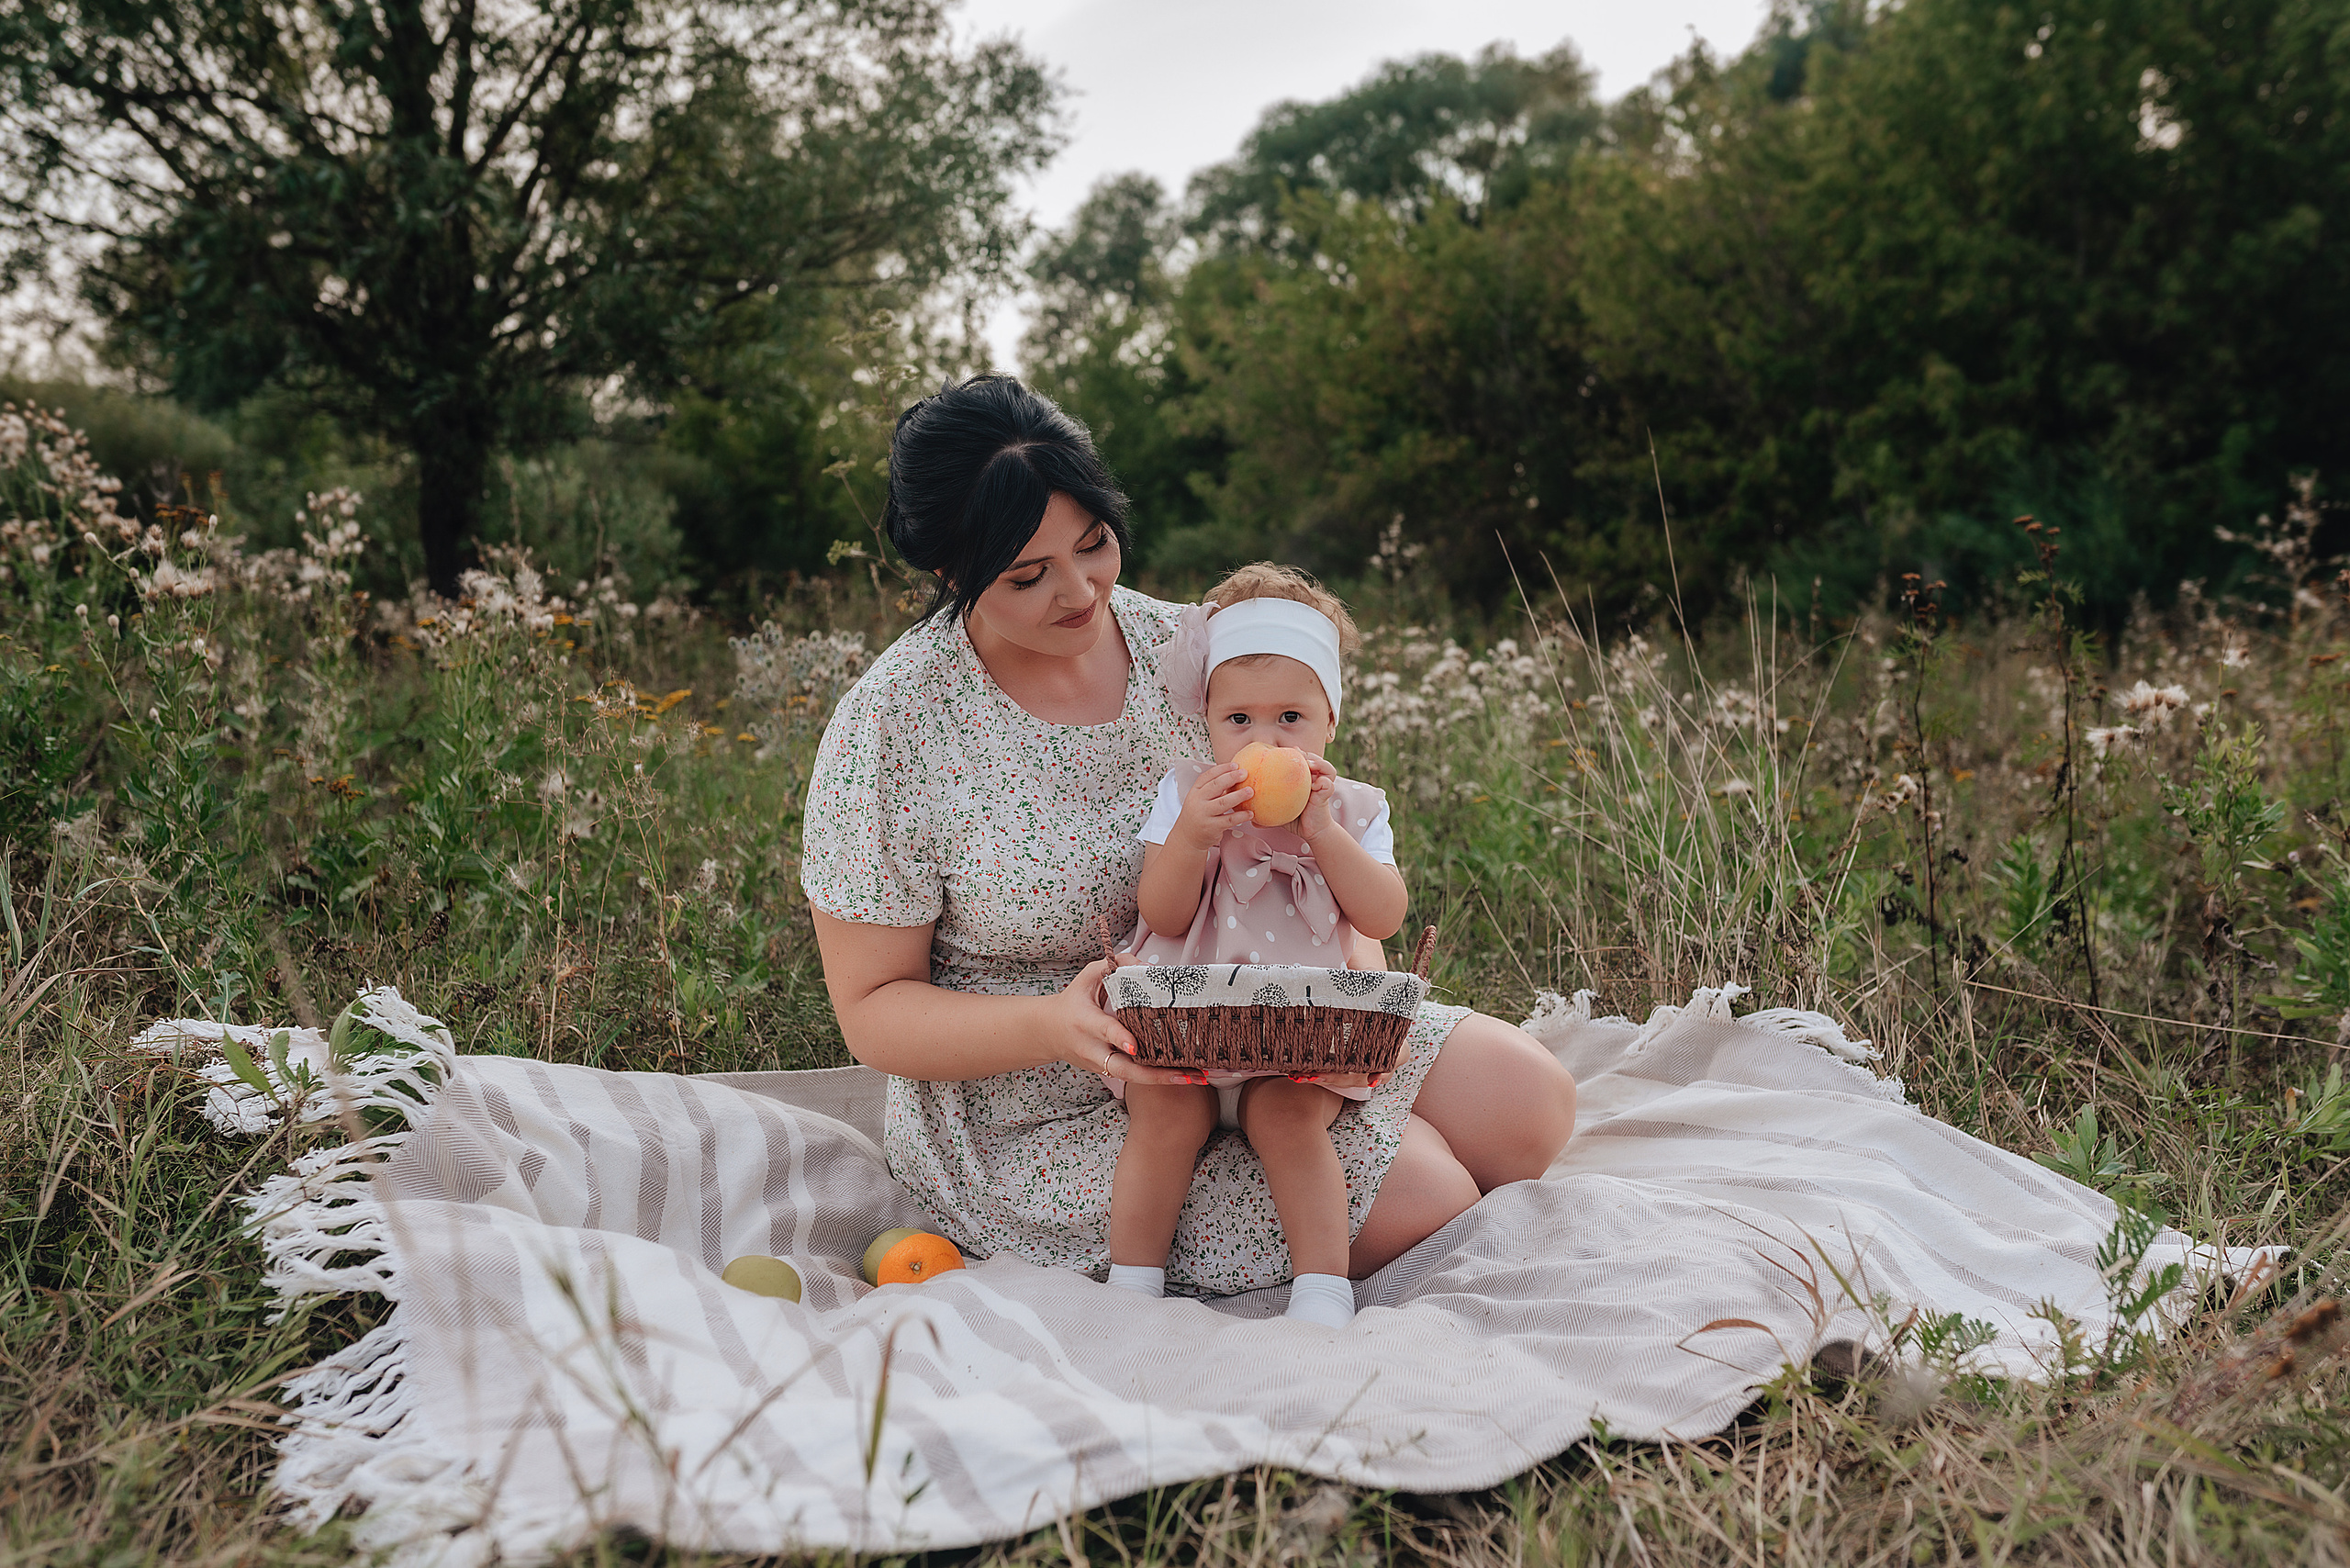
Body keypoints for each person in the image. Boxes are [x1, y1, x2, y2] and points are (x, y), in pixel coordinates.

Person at [800, 374, 1577, 1303]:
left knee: (1530, 1104)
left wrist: (1348, 993)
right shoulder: (895, 723)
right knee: (1432, 1190)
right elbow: (873, 1005)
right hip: (1052, 1090)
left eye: (1093, 544)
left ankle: (1314, 1138)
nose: (1080, 589)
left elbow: (1309, 844)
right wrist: (1052, 1023)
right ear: (950, 573)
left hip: (1268, 1011)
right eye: (1027, 574)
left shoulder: (1189, 650)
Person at [1106, 565, 1417, 1327]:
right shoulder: (1189, 796)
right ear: (1208, 723)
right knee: (1165, 1114)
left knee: (1289, 1118)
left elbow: (1382, 918)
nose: (1265, 740)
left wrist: (1323, 833)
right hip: (1191, 1018)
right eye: (1238, 721)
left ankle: (1320, 1288)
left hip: (1299, 1027)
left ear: (1330, 722)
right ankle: (1133, 1284)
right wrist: (1192, 839)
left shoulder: (1350, 808)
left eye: (1290, 718)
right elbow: (1164, 914)